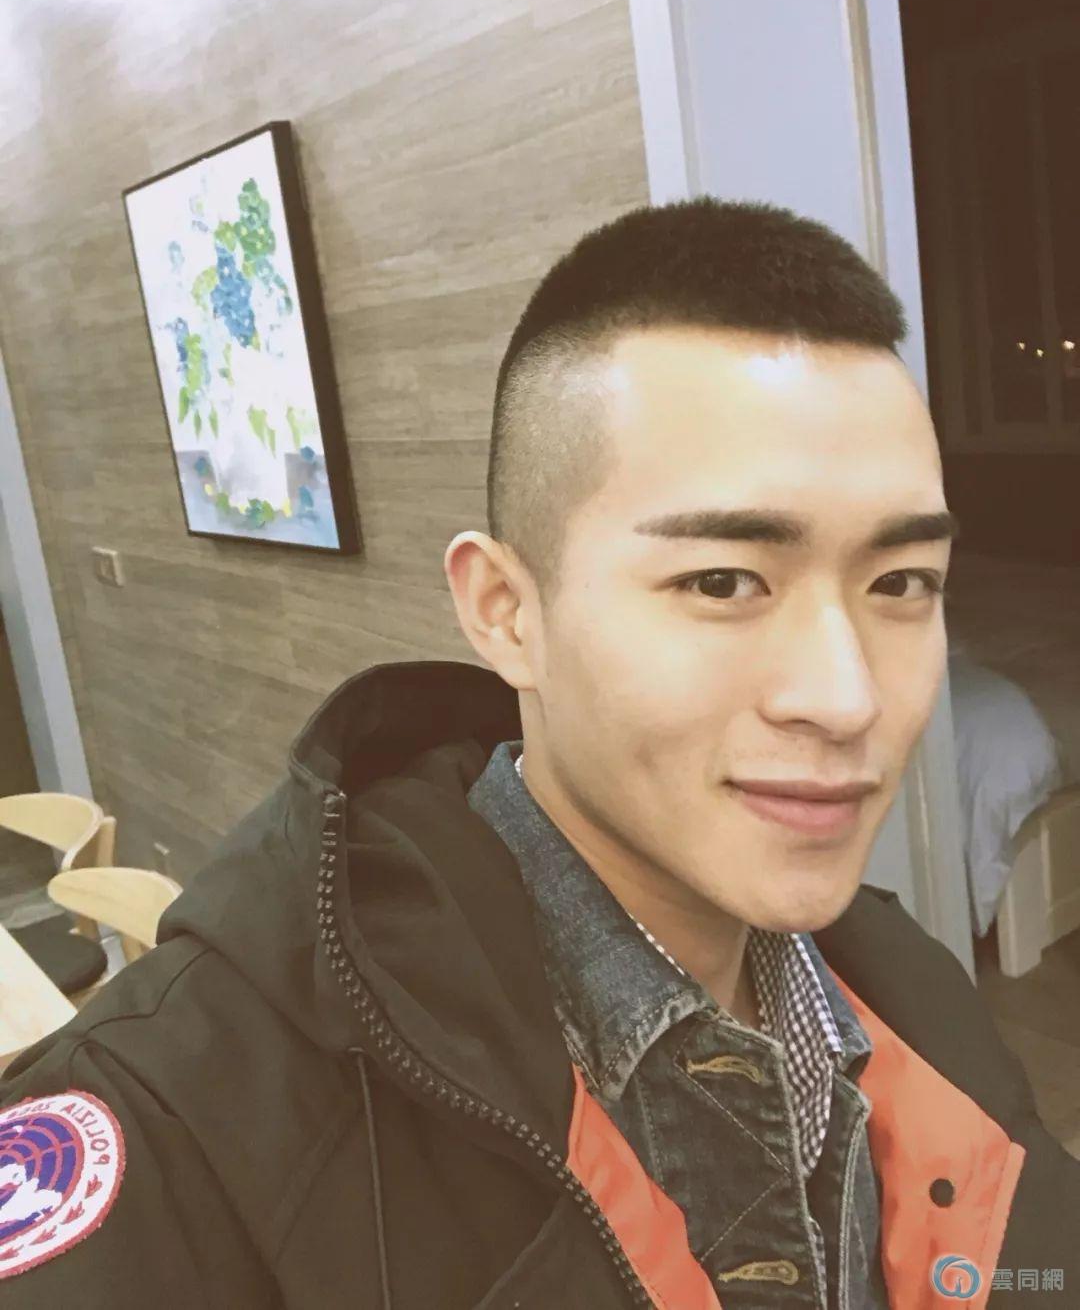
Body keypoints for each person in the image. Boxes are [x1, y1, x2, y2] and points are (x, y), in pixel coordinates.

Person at [1, 198, 1076, 1309]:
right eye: (722, 581)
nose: (847, 698)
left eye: (901, 583)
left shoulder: (911, 993)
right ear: (507, 612)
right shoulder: (185, 1124)